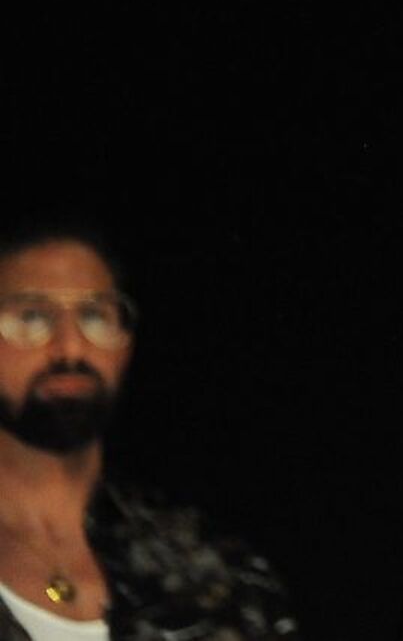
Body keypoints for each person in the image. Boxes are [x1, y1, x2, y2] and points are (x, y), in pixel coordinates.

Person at [0, 220, 298, 641]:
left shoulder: (213, 572)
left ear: (126, 341)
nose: (70, 347)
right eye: (31, 316)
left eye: (94, 315)